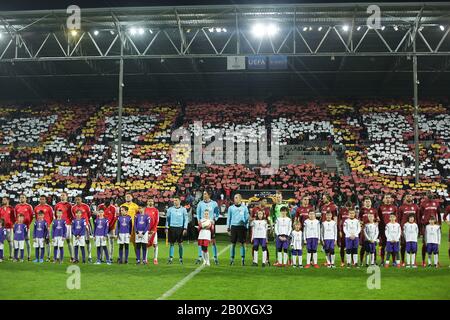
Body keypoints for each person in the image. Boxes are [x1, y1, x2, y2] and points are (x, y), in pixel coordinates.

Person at [196, 191, 220, 265]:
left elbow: (217, 213)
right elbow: (198, 213)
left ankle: (215, 258)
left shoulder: (214, 203)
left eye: (205, 194)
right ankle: (200, 257)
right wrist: (199, 222)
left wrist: (214, 220)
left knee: (213, 241)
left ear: (209, 195)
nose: (204, 195)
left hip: (211, 225)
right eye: (203, 194)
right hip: (203, 225)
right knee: (201, 241)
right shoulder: (200, 203)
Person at [227, 194, 250, 266]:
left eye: (236, 198)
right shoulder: (231, 208)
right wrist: (228, 228)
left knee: (242, 244)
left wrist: (246, 226)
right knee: (233, 244)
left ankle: (243, 260)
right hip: (234, 227)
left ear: (240, 199)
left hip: (241, 227)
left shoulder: (244, 208)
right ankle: (232, 259)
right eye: (234, 198)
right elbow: (229, 218)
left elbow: (247, 217)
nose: (235, 199)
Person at [419, 193, 441, 266]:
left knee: (436, 243)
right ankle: (423, 261)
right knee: (425, 243)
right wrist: (422, 223)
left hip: (435, 224)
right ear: (426, 195)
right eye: (428, 194)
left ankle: (436, 261)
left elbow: (438, 213)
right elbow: (420, 214)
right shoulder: (423, 203)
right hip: (425, 225)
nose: (430, 195)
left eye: (431, 194)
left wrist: (439, 223)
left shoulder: (436, 203)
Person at [398, 193, 419, 266]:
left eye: (410, 196)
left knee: (414, 246)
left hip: (413, 230)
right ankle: (403, 261)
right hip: (404, 230)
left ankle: (413, 261)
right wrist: (400, 230)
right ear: (405, 198)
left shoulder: (416, 207)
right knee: (403, 245)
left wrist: (419, 230)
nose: (409, 197)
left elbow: (417, 218)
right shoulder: (401, 207)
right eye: (408, 196)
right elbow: (399, 219)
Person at [165, 197, 188, 264]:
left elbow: (186, 219)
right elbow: (167, 219)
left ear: (180, 201)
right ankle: (170, 258)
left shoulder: (183, 209)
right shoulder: (170, 209)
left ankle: (180, 258)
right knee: (171, 244)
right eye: (174, 200)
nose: (174, 201)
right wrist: (166, 227)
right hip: (172, 227)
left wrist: (185, 228)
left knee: (180, 244)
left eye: (176, 200)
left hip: (180, 228)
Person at [378, 194, 397, 265]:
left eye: (389, 197)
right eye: (386, 198)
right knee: (383, 245)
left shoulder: (394, 207)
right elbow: (379, 219)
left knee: (393, 244)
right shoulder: (380, 208)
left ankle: (394, 261)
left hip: (392, 230)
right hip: (383, 229)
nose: (388, 199)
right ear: (383, 199)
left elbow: (396, 218)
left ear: (391, 199)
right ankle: (382, 260)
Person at [72, 196, 92, 263]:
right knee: (77, 243)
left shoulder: (86, 206)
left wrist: (86, 222)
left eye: (79, 199)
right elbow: (73, 216)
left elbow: (89, 215)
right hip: (77, 225)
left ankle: (89, 256)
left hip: (85, 225)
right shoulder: (73, 207)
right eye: (76, 199)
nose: (77, 200)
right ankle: (76, 258)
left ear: (81, 199)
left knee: (87, 241)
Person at [34, 195, 54, 262]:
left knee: (47, 242)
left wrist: (47, 225)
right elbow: (36, 218)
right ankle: (38, 258)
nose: (41, 200)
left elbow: (51, 217)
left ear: (45, 200)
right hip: (38, 228)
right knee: (39, 243)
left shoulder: (49, 207)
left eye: (43, 199)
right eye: (40, 199)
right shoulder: (36, 207)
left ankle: (48, 257)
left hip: (46, 228)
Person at [54, 192, 73, 262]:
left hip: (67, 225)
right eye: (61, 195)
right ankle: (57, 257)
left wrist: (69, 222)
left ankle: (72, 256)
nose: (62, 196)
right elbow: (56, 215)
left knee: (68, 240)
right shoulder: (57, 205)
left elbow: (72, 215)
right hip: (59, 225)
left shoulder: (69, 205)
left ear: (66, 196)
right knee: (59, 240)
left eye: (63, 195)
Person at [359, 197, 378, 266]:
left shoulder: (374, 210)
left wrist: (375, 226)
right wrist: (361, 226)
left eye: (369, 201)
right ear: (364, 202)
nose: (367, 202)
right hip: (364, 231)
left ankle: (374, 261)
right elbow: (359, 219)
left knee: (373, 247)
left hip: (372, 231)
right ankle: (361, 261)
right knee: (363, 247)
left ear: (371, 202)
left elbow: (377, 220)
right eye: (366, 201)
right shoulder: (362, 210)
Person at [14, 194, 34, 261]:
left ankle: (29, 256)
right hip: (19, 227)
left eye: (23, 197)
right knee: (19, 241)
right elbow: (15, 216)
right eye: (20, 197)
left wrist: (28, 224)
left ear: (26, 199)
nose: (21, 199)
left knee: (27, 241)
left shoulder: (29, 206)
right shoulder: (17, 206)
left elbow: (31, 217)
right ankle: (18, 256)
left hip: (26, 227)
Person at [144, 199, 159, 265]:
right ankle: (145, 259)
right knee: (146, 244)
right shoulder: (144, 210)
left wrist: (153, 230)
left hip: (153, 230)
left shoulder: (156, 210)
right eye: (149, 201)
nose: (150, 202)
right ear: (147, 202)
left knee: (155, 244)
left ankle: (155, 259)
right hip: (146, 230)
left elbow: (157, 221)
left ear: (153, 202)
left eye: (151, 201)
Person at [338, 201, 352, 267]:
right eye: (347, 207)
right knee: (342, 247)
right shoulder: (342, 211)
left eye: (349, 207)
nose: (348, 208)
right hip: (343, 232)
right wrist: (340, 230)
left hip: (351, 232)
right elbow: (339, 222)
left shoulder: (352, 212)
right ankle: (342, 261)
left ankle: (351, 261)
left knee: (351, 247)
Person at [0, 196, 15, 261]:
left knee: (10, 242)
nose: (3, 201)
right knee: (1, 242)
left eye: (4, 200)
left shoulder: (11, 208)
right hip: (2, 228)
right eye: (3, 200)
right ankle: (1, 256)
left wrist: (12, 224)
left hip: (9, 227)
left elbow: (14, 218)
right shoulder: (1, 208)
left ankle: (11, 255)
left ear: (8, 200)